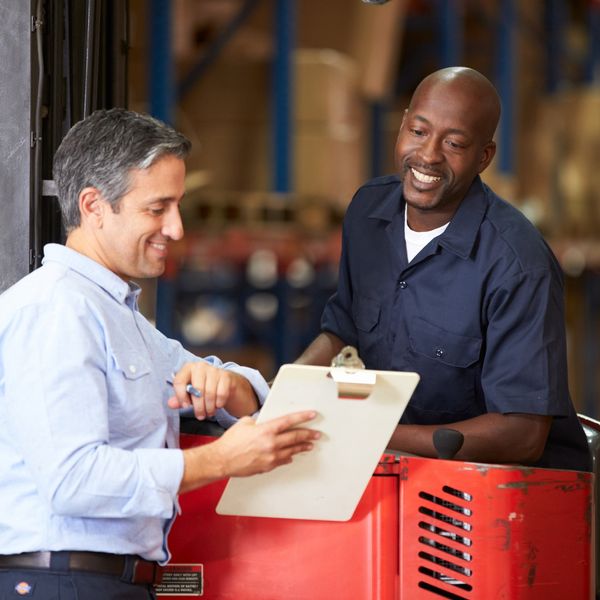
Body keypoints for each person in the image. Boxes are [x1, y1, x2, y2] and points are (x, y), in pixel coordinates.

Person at [0, 108, 320, 599]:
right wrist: (220, 460)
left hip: (112, 582)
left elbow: (221, 379)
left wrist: (229, 386)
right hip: (61, 582)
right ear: (94, 206)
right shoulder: (56, 310)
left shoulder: (121, 316)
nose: (176, 228)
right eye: (157, 208)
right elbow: (73, 478)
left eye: (178, 206)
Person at [296, 66, 591, 472]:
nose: (429, 155)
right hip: (405, 464)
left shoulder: (517, 265)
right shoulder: (368, 211)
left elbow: (522, 435)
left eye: (454, 143)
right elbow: (344, 326)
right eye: (418, 132)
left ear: (483, 157)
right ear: (402, 126)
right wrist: (289, 391)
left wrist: (369, 433)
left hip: (506, 493)